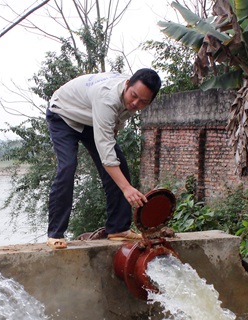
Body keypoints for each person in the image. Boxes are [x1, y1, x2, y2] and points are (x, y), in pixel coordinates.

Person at [45, 68, 162, 249]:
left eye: (143, 101)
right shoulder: (107, 98)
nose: (135, 103)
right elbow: (106, 153)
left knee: (120, 165)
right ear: (127, 84)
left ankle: (118, 228)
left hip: (90, 118)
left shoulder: (132, 98)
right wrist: (127, 189)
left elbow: (113, 127)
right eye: (134, 96)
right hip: (64, 113)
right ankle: (55, 233)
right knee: (68, 166)